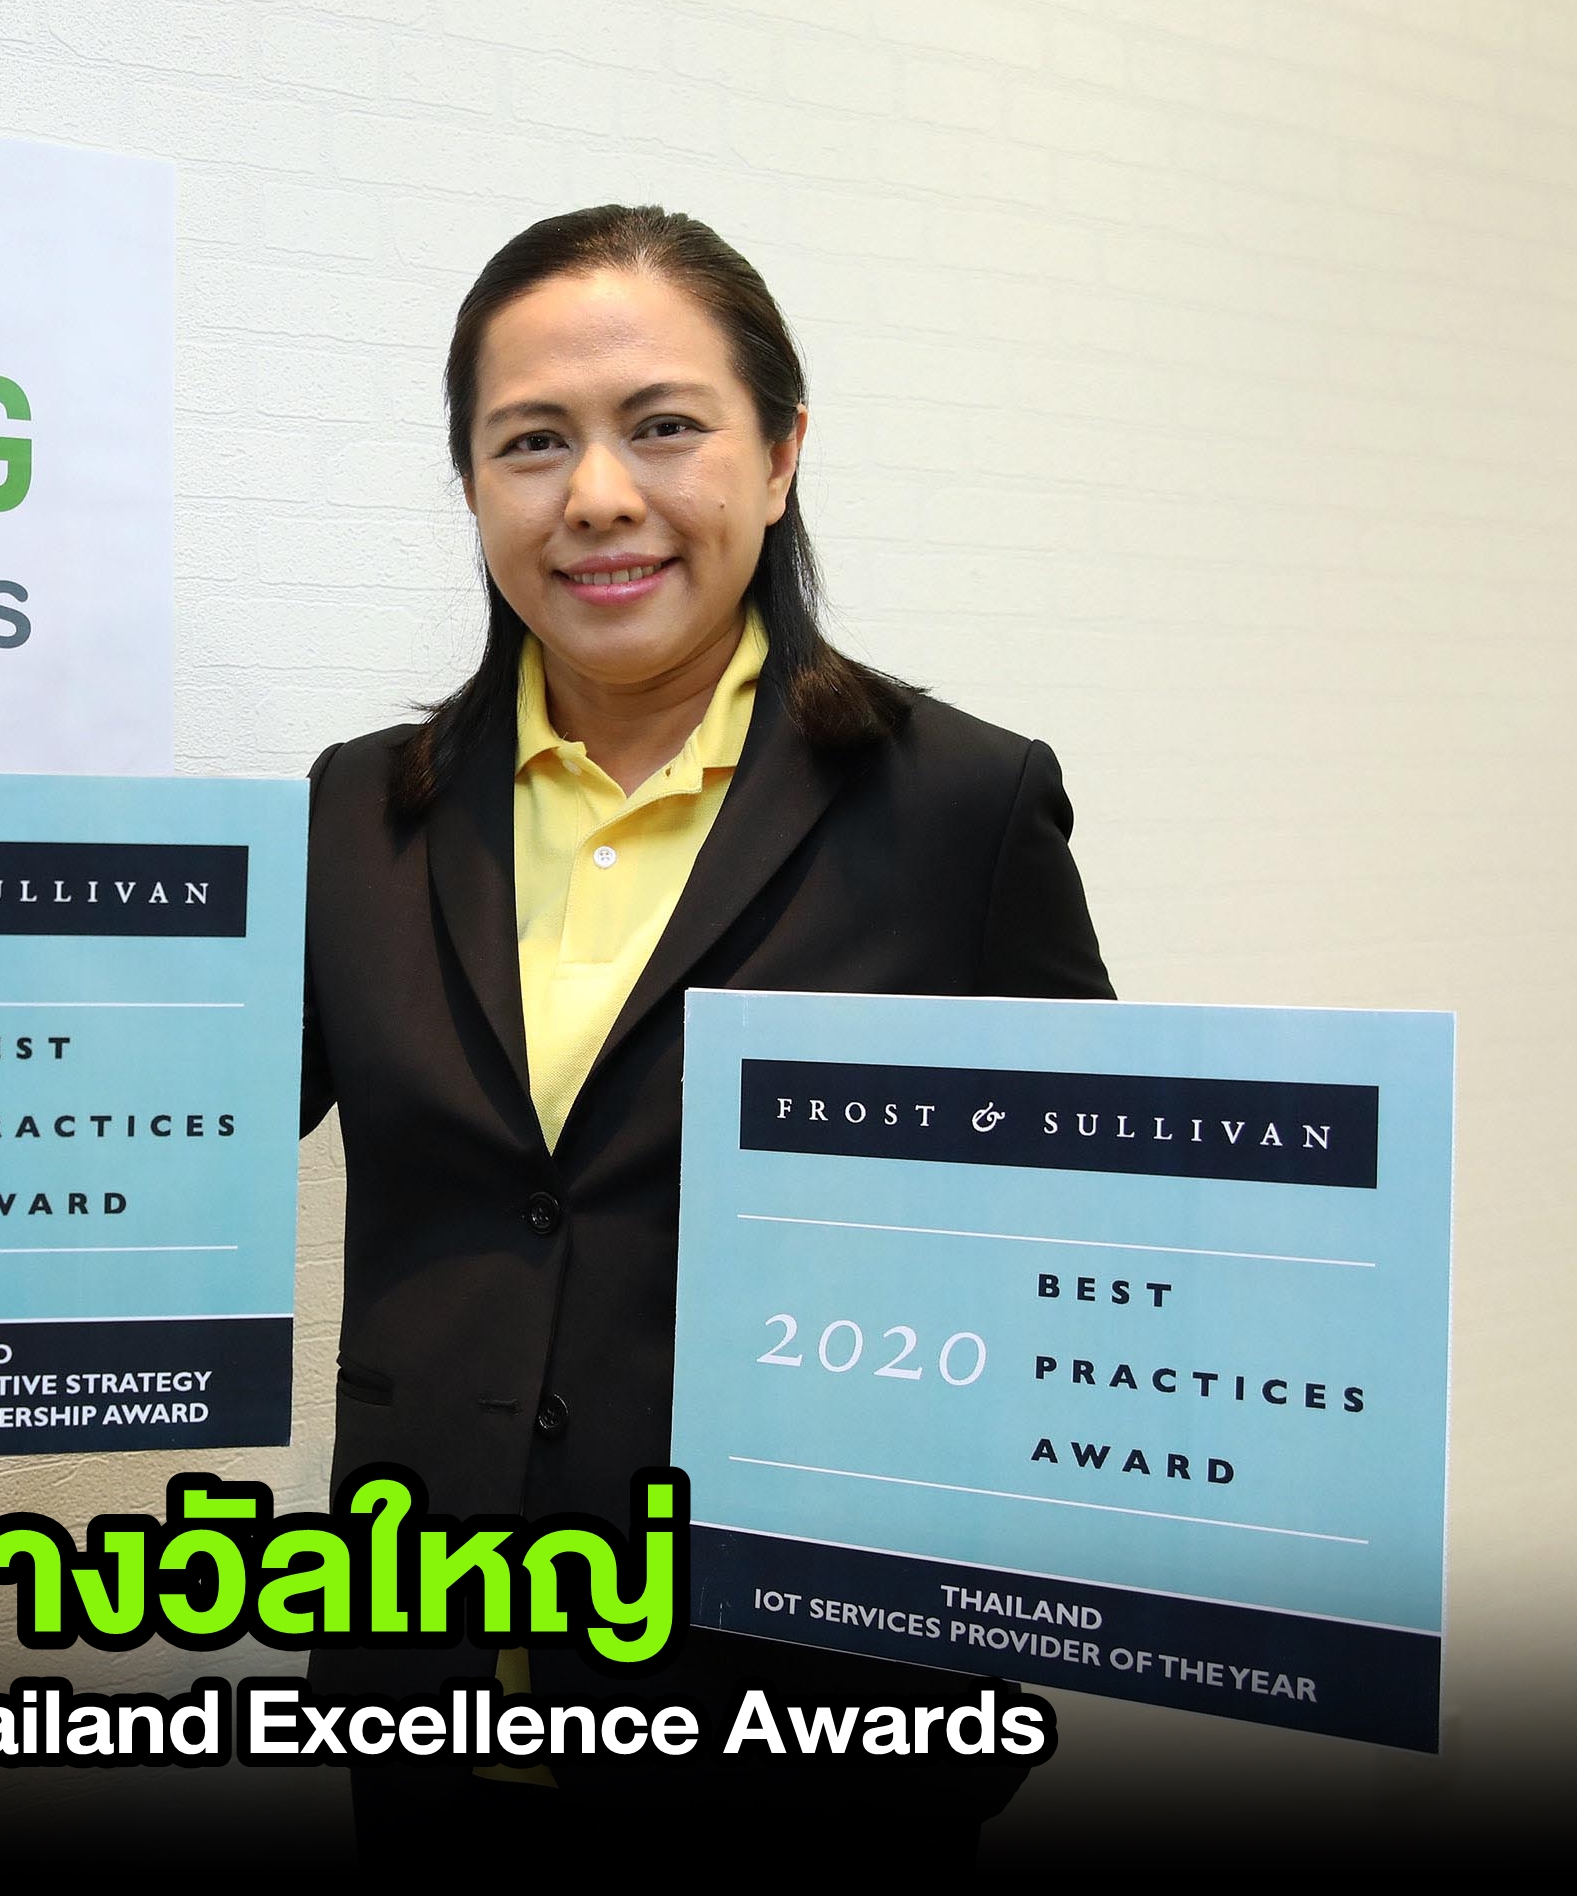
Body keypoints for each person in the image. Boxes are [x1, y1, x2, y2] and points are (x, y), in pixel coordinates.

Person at [299, 204, 1112, 1868]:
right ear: (472, 483)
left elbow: (1075, 1249)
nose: (598, 495)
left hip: (808, 1747)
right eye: (533, 441)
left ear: (783, 452)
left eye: (664, 426)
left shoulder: (961, 808)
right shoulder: (359, 812)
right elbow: (168, 1136)